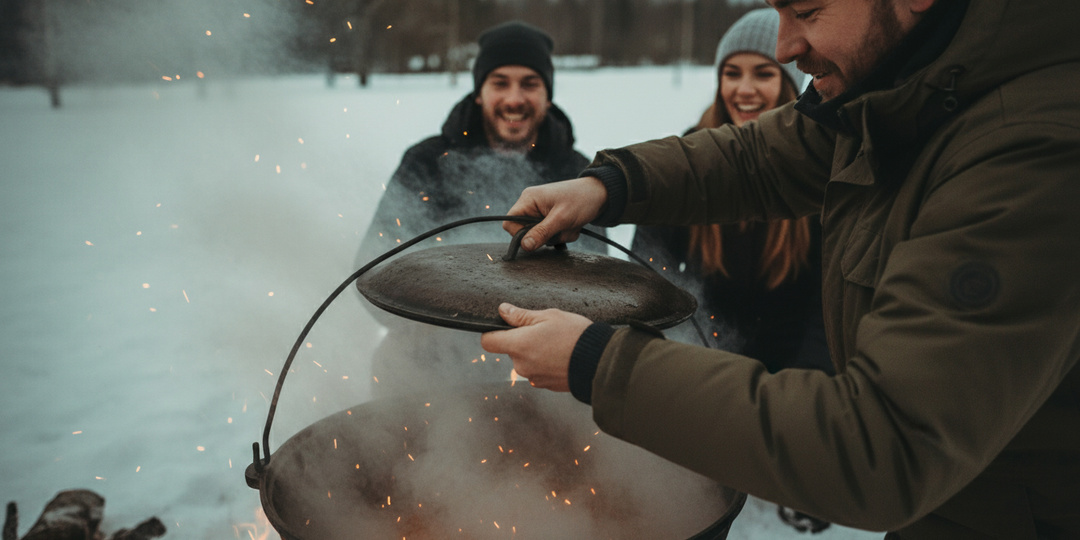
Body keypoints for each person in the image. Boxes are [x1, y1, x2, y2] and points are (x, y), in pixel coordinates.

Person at [481, 0, 1080, 538]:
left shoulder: (1029, 149)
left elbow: (883, 448)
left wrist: (596, 362)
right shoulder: (910, 88)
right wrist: (610, 185)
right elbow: (766, 156)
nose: (785, 47)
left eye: (809, 12)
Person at [355, 21, 601, 396]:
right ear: (479, 93)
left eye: (530, 84)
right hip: (434, 358)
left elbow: (601, 280)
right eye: (500, 82)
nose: (515, 99)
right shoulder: (428, 162)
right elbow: (373, 265)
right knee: (395, 366)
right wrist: (424, 327)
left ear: (548, 95)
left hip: (543, 365)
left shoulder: (574, 174)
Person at [631, 8, 832, 376]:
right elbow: (647, 276)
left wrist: (804, 384)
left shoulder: (821, 167)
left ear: (790, 83)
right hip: (696, 367)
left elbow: (825, 309)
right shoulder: (685, 164)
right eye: (732, 73)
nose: (744, 89)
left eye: (763, 73)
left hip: (790, 382)